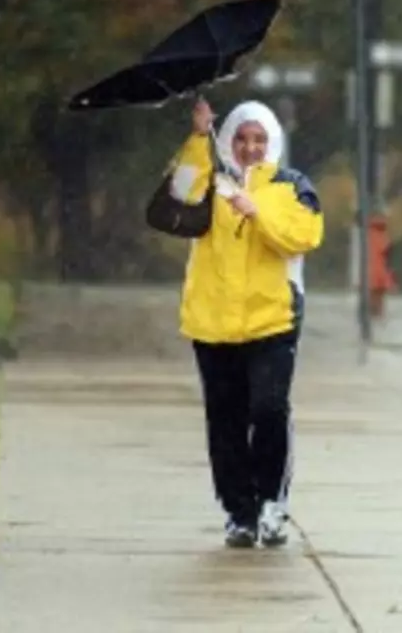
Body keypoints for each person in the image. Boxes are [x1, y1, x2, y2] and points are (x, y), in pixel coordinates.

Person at [167, 97, 324, 548]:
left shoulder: (292, 185)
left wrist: (258, 211)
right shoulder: (209, 182)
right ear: (229, 141)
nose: (250, 147)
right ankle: (240, 511)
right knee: (226, 418)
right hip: (212, 320)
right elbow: (176, 200)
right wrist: (199, 138)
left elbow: (305, 235)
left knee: (269, 409)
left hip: (272, 317)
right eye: (240, 138)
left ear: (272, 141)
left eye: (259, 139)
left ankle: (272, 502)